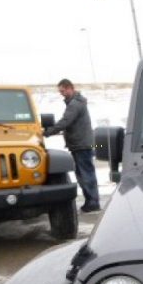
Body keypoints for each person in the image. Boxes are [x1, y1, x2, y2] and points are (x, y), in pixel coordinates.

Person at [44, 78, 101, 212]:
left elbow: (65, 122)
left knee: (86, 175)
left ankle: (93, 202)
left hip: (81, 145)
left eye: (62, 91)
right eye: (60, 91)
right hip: (79, 144)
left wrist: (47, 132)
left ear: (70, 88)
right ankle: (91, 201)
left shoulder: (75, 104)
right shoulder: (76, 102)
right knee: (84, 174)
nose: (61, 93)